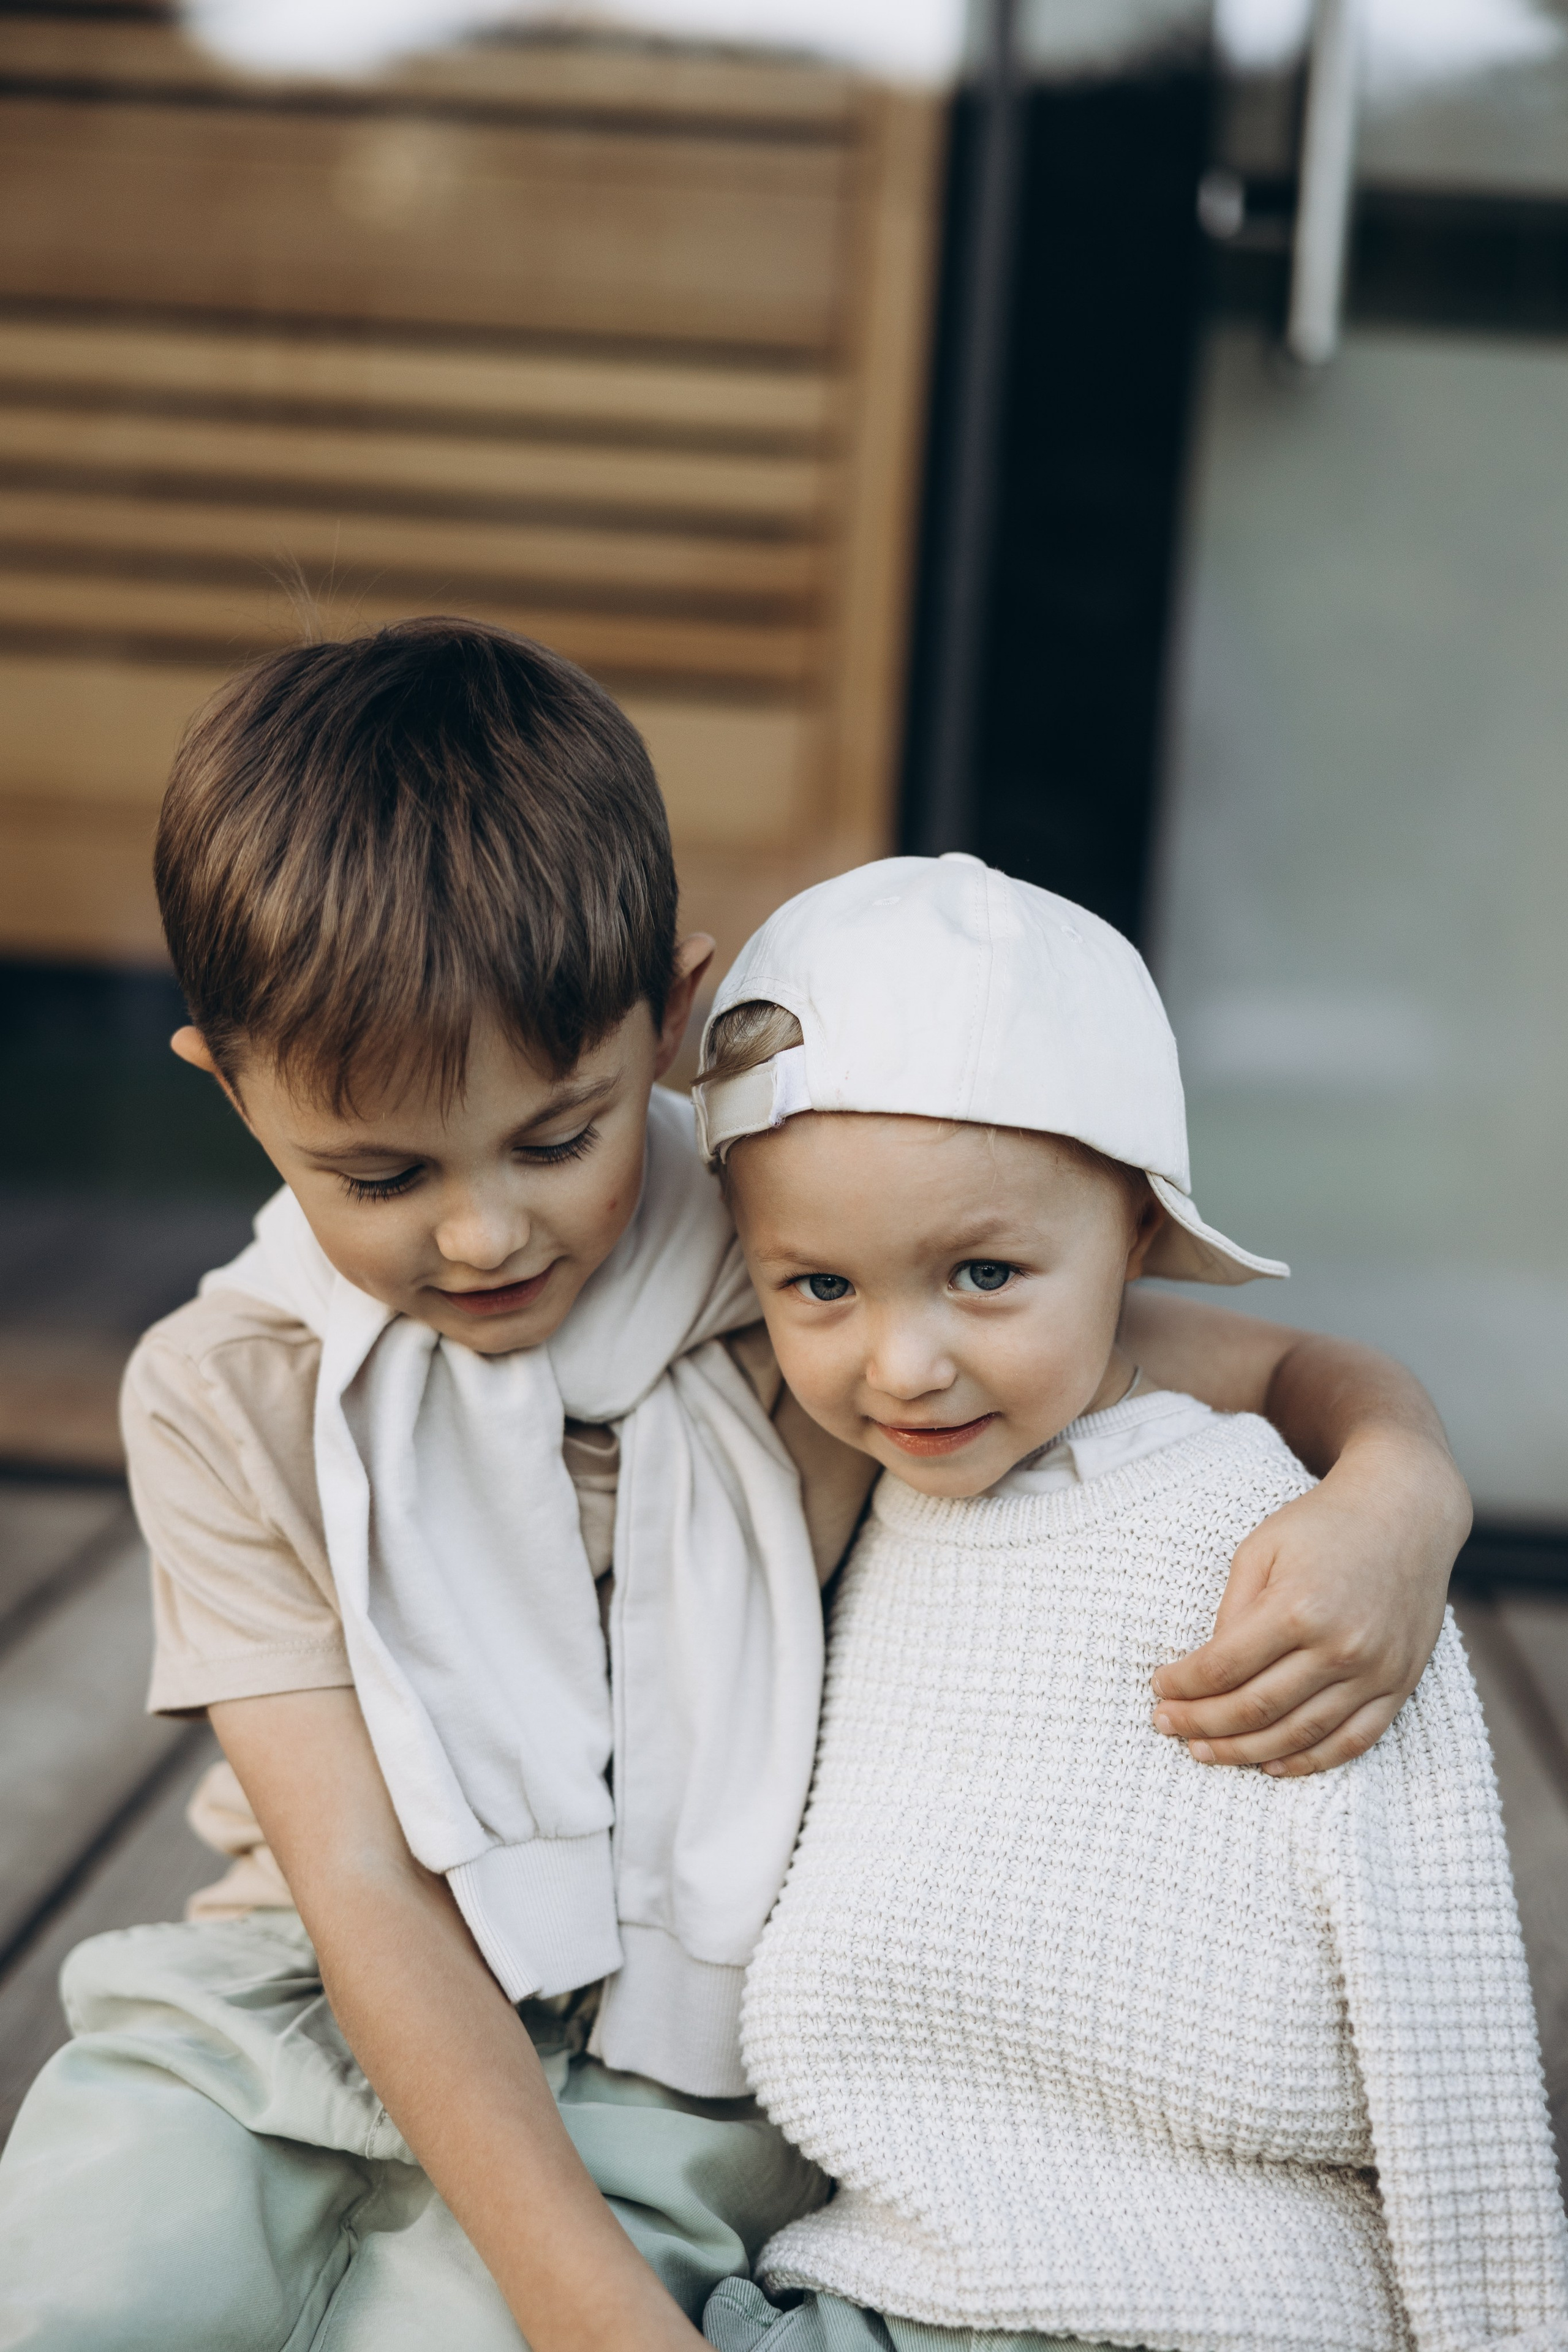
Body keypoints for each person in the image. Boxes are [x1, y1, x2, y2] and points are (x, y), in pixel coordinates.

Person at [0, 625, 1469, 2352]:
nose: (486, 1233)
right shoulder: (230, 1389)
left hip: (681, 2053)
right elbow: (364, 1890)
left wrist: (1404, 1488)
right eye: (382, 1173)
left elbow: (1266, 1365)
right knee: (85, 2287)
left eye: (560, 1137)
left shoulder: (816, 1283)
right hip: (292, 1988)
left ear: (671, 1018)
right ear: (228, 1086)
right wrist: (589, 2313)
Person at [693, 853, 1568, 2352]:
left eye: (980, 1273)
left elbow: (1434, 1988)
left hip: (1204, 2282)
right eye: (818, 1288)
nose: (897, 1366)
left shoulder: (1249, 1525)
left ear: (1140, 1239)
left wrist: (1399, 1480)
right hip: (879, 2252)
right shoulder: (771, 1441)